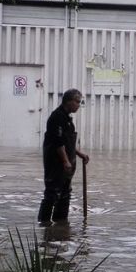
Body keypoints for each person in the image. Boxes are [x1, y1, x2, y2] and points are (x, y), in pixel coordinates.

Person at [38, 89, 90, 224]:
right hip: (56, 163)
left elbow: (68, 143)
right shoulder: (57, 117)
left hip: (66, 164)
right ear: (68, 101)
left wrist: (80, 154)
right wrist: (66, 161)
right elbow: (58, 142)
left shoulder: (67, 119)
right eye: (77, 102)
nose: (79, 105)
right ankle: (44, 224)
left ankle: (60, 224)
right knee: (52, 193)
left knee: (65, 194)